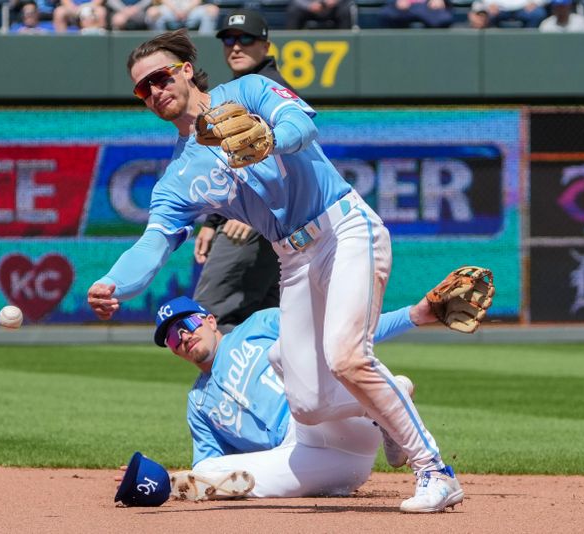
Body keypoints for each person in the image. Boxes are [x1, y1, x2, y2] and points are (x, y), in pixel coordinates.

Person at [88, 29, 463, 513]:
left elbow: (302, 125)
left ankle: (434, 471)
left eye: (159, 77)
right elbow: (154, 242)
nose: (154, 91)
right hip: (293, 258)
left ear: (185, 69)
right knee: (308, 404)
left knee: (347, 357)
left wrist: (270, 139)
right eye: (142, 89)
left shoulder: (245, 91)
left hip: (342, 226)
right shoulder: (177, 177)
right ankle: (391, 408)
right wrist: (113, 282)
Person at [152, 291, 442, 499]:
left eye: (187, 325)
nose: (184, 337)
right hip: (317, 462)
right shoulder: (198, 403)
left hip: (336, 420)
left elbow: (342, 336)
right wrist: (156, 480)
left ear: (210, 321)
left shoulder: (258, 325)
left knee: (282, 352)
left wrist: (413, 315)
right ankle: (387, 405)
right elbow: (208, 469)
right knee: (205, 468)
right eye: (173, 338)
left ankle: (383, 403)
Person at [192, 10, 291, 332]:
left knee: (210, 320)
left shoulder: (270, 88)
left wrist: (252, 213)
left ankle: (225, 384)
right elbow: (232, 165)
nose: (236, 46)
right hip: (257, 222)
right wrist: (213, 220)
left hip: (256, 223)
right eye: (229, 39)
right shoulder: (240, 89)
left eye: (246, 38)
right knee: (267, 324)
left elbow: (290, 160)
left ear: (266, 45)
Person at [145, 0, 219, 34]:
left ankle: (204, 41)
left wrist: (186, 11)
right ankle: (159, 43)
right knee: (152, 12)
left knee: (213, 10)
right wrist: (175, 11)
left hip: (192, 11)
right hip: (170, 10)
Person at [377, 0, 454, 29]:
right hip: (402, 10)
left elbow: (446, 19)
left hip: (429, 8)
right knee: (386, 14)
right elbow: (385, 13)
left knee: (443, 18)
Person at [285, 0, 356, 29]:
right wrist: (309, 6)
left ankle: (345, 39)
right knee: (294, 9)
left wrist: (335, 1)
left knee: (345, 9)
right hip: (310, 8)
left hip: (333, 8)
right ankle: (291, 40)